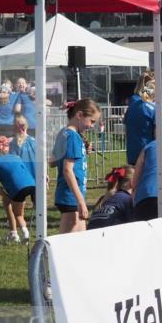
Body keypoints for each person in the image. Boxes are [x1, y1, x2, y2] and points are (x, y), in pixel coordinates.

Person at [51, 99, 101, 233]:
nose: (92, 126)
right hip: (71, 196)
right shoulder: (73, 137)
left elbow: (52, 162)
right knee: (68, 240)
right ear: (79, 115)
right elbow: (67, 170)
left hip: (70, 194)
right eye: (92, 121)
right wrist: (80, 201)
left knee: (80, 238)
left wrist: (81, 151)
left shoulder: (64, 133)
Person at [0, 135, 36, 244]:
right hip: (31, 184)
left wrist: (3, 194)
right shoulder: (16, 157)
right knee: (14, 207)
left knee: (17, 214)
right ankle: (14, 233)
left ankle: (25, 233)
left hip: (17, 188)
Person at [125, 71, 162, 166]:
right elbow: (158, 135)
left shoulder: (133, 104)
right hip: (147, 152)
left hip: (133, 152)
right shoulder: (153, 108)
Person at [10, 114, 36, 180]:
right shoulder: (13, 142)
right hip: (22, 177)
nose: (20, 128)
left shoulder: (33, 141)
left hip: (33, 175)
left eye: (22, 125)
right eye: (17, 126)